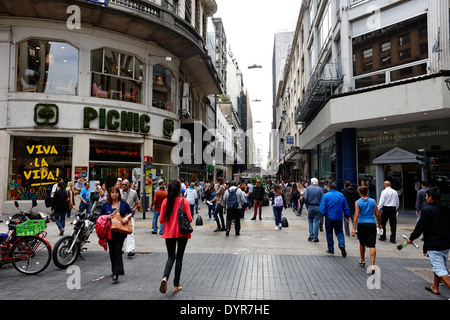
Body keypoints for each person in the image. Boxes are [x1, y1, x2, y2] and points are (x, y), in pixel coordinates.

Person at [407, 187, 450, 295]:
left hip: (434, 244)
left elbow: (420, 227)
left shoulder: (428, 210)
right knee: (440, 266)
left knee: (441, 270)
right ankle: (434, 286)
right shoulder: (447, 209)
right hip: (446, 244)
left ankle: (436, 285)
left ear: (431, 198)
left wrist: (411, 238)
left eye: (426, 197)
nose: (426, 199)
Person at [159, 180, 192, 294]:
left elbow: (161, 220)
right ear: (179, 190)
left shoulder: (165, 202)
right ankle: (176, 285)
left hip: (169, 233)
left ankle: (165, 277)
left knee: (171, 257)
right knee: (179, 258)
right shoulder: (184, 201)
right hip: (182, 233)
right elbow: (190, 219)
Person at [100, 186, 134, 283]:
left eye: (116, 192)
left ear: (119, 194)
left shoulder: (123, 203)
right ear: (109, 194)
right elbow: (100, 217)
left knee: (118, 250)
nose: (114, 194)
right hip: (109, 232)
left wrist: (127, 217)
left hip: (120, 231)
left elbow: (131, 211)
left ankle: (117, 272)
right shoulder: (106, 205)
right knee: (112, 251)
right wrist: (107, 216)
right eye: (112, 192)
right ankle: (114, 269)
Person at [351, 186, 382, 273]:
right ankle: (372, 265)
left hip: (361, 224)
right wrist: (380, 224)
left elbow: (356, 215)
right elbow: (377, 213)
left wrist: (353, 228)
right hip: (371, 223)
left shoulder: (357, 202)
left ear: (360, 193)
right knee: (372, 244)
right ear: (367, 192)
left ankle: (362, 259)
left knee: (362, 243)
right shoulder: (373, 201)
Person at [320, 181, 351, 256]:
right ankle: (341, 244)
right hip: (338, 217)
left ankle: (331, 249)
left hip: (329, 217)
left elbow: (322, 208)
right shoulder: (341, 195)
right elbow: (345, 207)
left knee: (329, 233)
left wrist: (324, 214)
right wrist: (347, 216)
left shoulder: (325, 196)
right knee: (339, 232)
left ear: (329, 187)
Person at [120, 179, 140, 257]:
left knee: (130, 232)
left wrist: (134, 209)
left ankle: (130, 249)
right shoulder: (119, 192)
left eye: (125, 184)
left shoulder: (133, 192)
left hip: (130, 215)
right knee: (120, 231)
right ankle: (120, 248)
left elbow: (137, 203)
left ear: (128, 185)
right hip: (121, 216)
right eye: (122, 184)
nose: (124, 186)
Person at [304, 178, 323, 242]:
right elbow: (322, 198)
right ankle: (316, 237)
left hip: (310, 206)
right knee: (317, 221)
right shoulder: (320, 189)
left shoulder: (308, 189)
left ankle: (311, 235)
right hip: (318, 206)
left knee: (310, 221)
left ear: (312, 182)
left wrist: (307, 205)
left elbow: (305, 198)